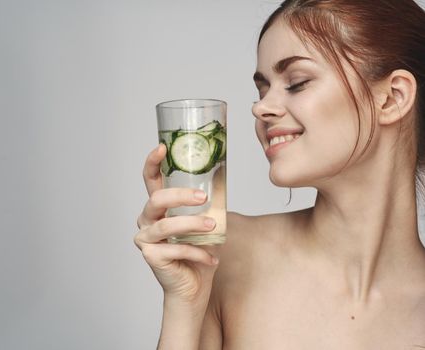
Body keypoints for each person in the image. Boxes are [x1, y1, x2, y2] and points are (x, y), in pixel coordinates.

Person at [134, 0, 425, 348]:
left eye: (297, 82)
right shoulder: (224, 253)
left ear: (392, 99)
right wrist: (184, 302)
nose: (260, 107)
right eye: (262, 88)